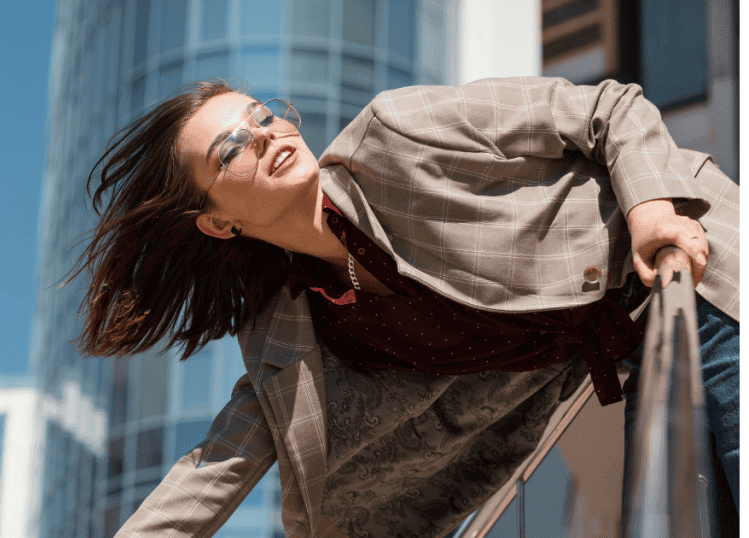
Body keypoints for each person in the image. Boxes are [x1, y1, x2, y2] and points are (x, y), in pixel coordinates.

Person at [71, 77, 739, 537]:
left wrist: (652, 213)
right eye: (231, 150)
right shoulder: (299, 331)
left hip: (695, 273)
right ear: (217, 224)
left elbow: (607, 107)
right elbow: (216, 468)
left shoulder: (398, 135)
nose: (267, 136)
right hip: (643, 354)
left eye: (264, 117)